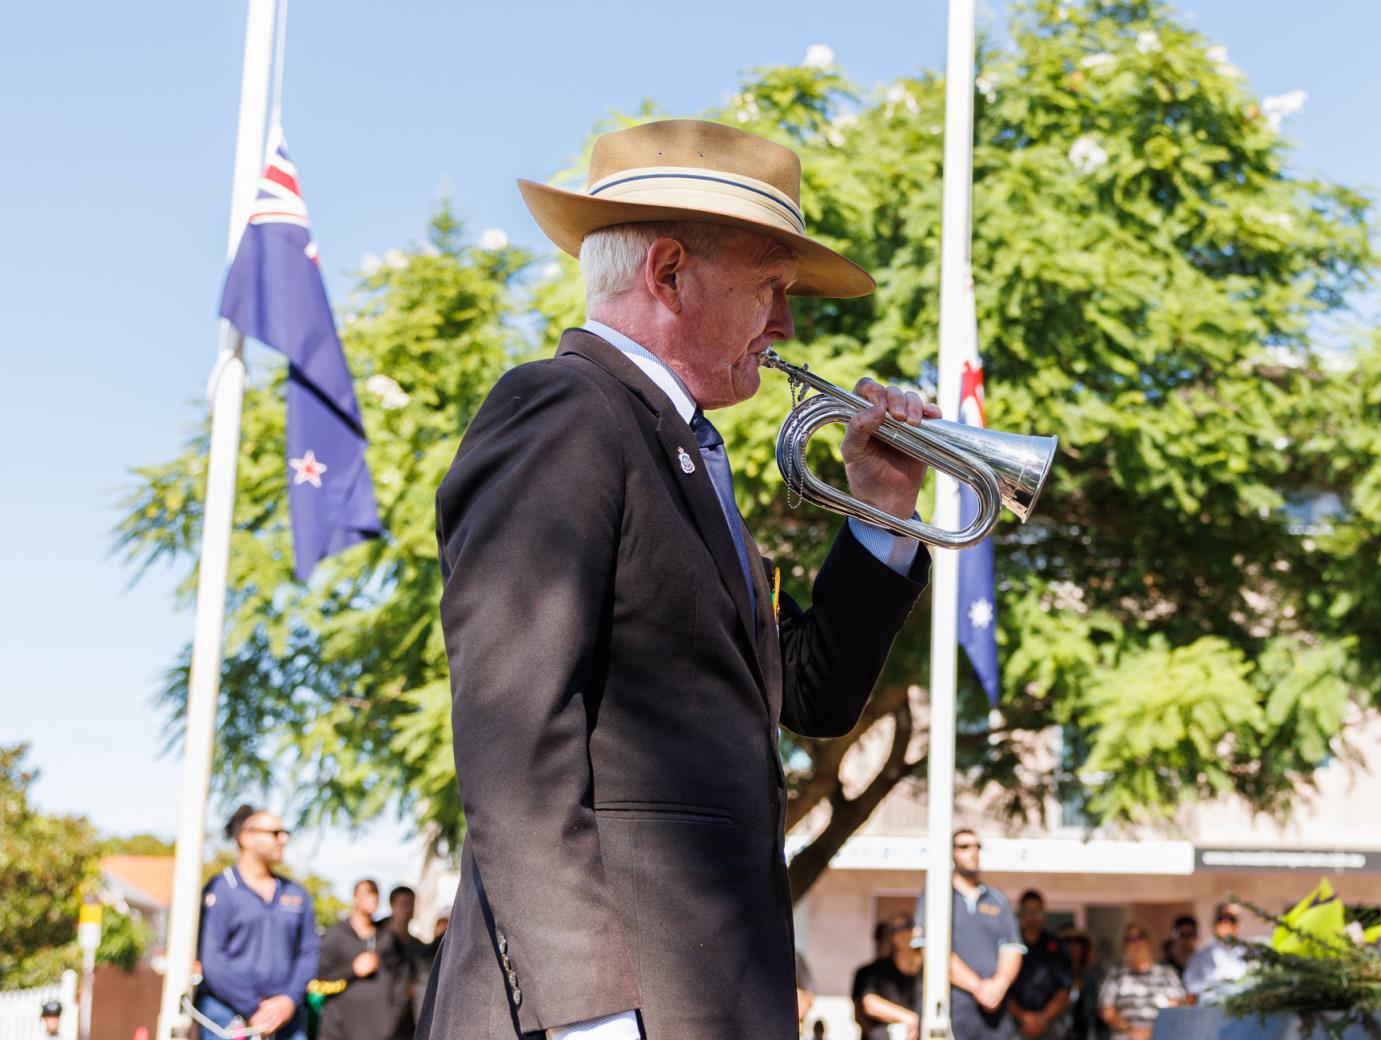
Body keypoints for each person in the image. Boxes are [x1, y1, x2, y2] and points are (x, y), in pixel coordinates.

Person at [416, 119, 934, 1040]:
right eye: (771, 287)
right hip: (604, 1013)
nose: (786, 324)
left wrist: (882, 510)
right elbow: (515, 738)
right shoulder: (567, 407)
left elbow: (807, 696)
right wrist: (591, 1018)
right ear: (667, 272)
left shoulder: (683, 450)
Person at [196, 805, 320, 1040]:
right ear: (246, 838)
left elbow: (309, 953)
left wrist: (287, 1002)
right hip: (226, 1015)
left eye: (285, 832)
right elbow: (212, 958)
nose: (283, 839)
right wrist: (254, 1007)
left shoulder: (296, 893)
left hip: (287, 1020)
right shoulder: (220, 890)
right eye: (274, 833)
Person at [917, 829, 1023, 1039]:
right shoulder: (937, 896)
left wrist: (999, 985)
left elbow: (1012, 948)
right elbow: (932, 952)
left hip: (996, 1013)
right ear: (952, 853)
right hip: (955, 1011)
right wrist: (978, 988)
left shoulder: (997, 899)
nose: (973, 852)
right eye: (964, 847)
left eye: (977, 846)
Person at [313, 880, 408, 1040]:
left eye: (376, 893)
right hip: (340, 1031)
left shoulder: (387, 938)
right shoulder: (335, 936)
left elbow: (401, 978)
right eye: (367, 893)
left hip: (382, 1032)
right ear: (355, 898)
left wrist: (395, 1014)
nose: (373, 898)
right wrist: (353, 969)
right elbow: (318, 979)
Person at [1097, 925, 1186, 1040]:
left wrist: (1152, 1031)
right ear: (1123, 945)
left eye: (1140, 937)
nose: (1136, 943)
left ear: (1149, 941)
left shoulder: (1167, 974)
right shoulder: (1115, 975)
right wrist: (1132, 1031)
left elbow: (1178, 1006)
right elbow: (1107, 1011)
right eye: (1130, 939)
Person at [1008, 891, 1073, 1039]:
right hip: (1016, 1025)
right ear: (1020, 913)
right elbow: (1002, 986)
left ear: (1043, 913)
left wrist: (1042, 1018)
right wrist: (1023, 1017)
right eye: (1027, 912)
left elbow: (1064, 989)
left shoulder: (1056, 946)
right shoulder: (1010, 945)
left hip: (1050, 1025)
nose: (1031, 917)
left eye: (1036, 912)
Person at [856, 916, 923, 1040]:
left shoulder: (930, 970)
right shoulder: (876, 971)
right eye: (896, 930)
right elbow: (868, 1004)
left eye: (907, 927)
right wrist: (909, 1018)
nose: (903, 934)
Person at [379, 886, 430, 1035]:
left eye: (411, 904)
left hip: (407, 1020)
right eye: (403, 904)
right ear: (392, 905)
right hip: (377, 1017)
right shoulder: (376, 939)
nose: (408, 910)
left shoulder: (418, 946)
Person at [1181, 903, 1248, 1004]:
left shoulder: (1249, 953)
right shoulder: (1200, 957)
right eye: (1221, 919)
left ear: (1239, 923)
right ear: (1213, 923)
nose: (1226, 923)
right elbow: (1190, 988)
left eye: (1231, 919)